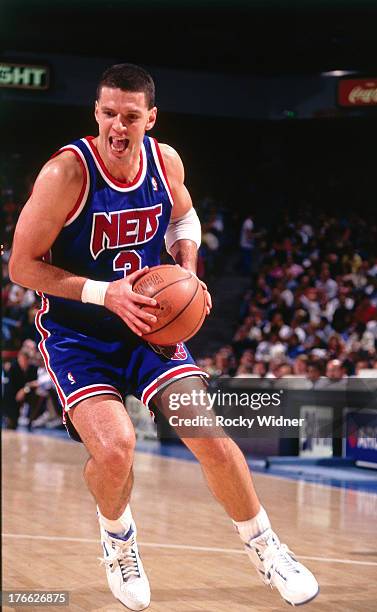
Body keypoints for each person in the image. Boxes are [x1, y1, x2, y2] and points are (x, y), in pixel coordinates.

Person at [9, 64, 319, 610]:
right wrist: (107, 295)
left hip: (150, 327)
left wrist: (190, 267)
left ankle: (267, 548)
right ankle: (118, 538)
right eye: (108, 113)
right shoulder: (66, 175)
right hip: (79, 333)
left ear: (150, 118)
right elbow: (22, 267)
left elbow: (186, 219)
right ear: (96, 113)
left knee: (210, 436)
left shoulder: (164, 161)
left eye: (130, 116)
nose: (117, 126)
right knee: (115, 448)